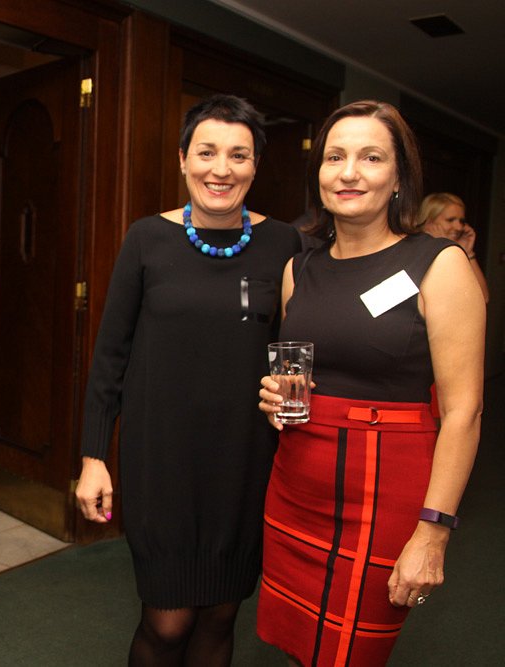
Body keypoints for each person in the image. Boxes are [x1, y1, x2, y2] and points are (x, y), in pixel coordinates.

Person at [257, 101, 485, 666]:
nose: (349, 172)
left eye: (371, 157)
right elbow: (303, 376)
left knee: (351, 652)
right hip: (295, 484)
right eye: (335, 157)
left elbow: (464, 412)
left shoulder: (439, 264)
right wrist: (277, 399)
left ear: (399, 178)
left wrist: (433, 532)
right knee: (299, 645)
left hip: (383, 496)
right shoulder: (298, 269)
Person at [76, 95, 301, 666]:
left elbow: (294, 345)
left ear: (255, 166)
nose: (221, 169)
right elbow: (110, 357)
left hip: (244, 460)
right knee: (167, 621)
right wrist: (94, 456)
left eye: (238, 155)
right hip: (162, 461)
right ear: (182, 159)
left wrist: (291, 389)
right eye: (206, 152)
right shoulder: (146, 238)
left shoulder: (284, 244)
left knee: (221, 615)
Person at [417, 192, 490, 302]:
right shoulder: (413, 249)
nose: (459, 227)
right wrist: (440, 246)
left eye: (461, 221)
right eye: (450, 220)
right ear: (429, 222)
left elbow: (483, 298)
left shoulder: (456, 252)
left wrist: (468, 252)